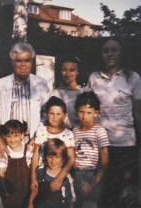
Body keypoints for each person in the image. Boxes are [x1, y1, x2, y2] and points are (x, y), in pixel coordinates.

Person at [0, 42, 50, 207]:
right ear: (12, 62)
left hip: (32, 143)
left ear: (32, 62)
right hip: (8, 142)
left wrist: (37, 138)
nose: (23, 65)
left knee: (33, 182)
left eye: (27, 60)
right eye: (18, 61)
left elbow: (46, 114)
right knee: (6, 185)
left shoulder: (41, 84)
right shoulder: (0, 85)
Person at [85, 37, 141, 207]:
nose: (109, 54)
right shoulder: (94, 78)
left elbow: (138, 113)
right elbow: (87, 108)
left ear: (121, 53)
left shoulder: (133, 78)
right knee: (100, 190)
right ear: (101, 54)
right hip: (100, 143)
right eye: (106, 50)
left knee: (119, 191)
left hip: (125, 144)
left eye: (114, 50)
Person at [30, 96, 75, 195]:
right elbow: (35, 155)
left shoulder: (68, 134)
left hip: (60, 175)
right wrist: (33, 177)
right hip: (42, 175)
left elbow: (71, 159)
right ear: (46, 114)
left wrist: (60, 178)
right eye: (52, 114)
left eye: (58, 114)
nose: (55, 117)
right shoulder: (41, 131)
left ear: (64, 116)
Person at [73, 91, 109, 208]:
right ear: (76, 111)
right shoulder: (75, 131)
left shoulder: (99, 131)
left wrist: (92, 184)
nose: (84, 116)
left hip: (92, 175)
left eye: (88, 112)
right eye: (81, 112)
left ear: (96, 113)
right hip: (76, 175)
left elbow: (104, 161)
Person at [28, 138, 76, 208]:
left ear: (63, 158)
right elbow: (35, 191)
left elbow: (71, 200)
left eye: (57, 157)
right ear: (45, 156)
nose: (53, 161)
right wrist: (30, 203)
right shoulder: (40, 171)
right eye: (50, 157)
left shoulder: (66, 177)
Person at [0, 120, 32, 208]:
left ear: (22, 135)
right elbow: (1, 173)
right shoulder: (4, 153)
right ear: (4, 136)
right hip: (11, 192)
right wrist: (5, 191)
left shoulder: (28, 150)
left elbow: (33, 170)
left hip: (27, 191)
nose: (12, 140)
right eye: (9, 136)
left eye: (16, 136)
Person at [50, 55, 82, 129]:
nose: (67, 74)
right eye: (64, 70)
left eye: (72, 70)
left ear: (77, 72)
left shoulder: (82, 92)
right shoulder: (55, 93)